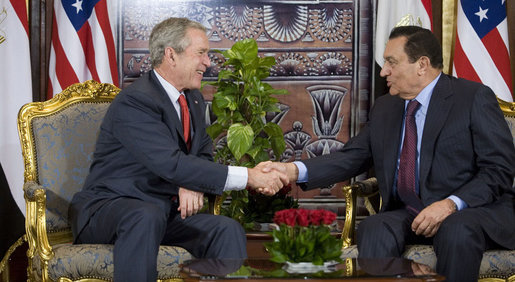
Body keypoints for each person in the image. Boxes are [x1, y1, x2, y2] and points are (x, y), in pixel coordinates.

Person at [263, 26, 515, 282]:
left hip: (469, 211)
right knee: (374, 227)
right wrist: (292, 170)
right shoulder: (386, 107)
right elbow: (352, 156)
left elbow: (499, 170)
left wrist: (451, 204)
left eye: (391, 62)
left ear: (422, 65)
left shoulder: (472, 98)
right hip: (410, 211)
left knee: (456, 229)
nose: (384, 71)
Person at [69, 17, 288, 282]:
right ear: (171, 55)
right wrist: (250, 176)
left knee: (225, 229)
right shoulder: (136, 101)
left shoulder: (192, 98)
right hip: (108, 210)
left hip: (162, 212)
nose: (208, 62)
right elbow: (171, 163)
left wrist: (191, 184)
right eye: (201, 53)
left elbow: (203, 153)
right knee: (144, 215)